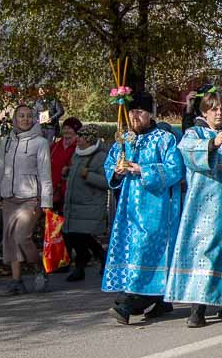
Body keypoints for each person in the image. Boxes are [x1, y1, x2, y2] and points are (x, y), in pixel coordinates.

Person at [164, 92, 222, 327]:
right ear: (204, 113)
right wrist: (212, 144)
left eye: (221, 109)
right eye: (213, 109)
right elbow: (188, 153)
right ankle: (197, 309)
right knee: (203, 254)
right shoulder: (195, 134)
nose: (218, 113)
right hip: (200, 206)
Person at [104, 93, 184, 323]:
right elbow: (110, 163)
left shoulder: (164, 139)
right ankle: (160, 300)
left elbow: (175, 169)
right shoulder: (125, 140)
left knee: (143, 252)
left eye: (140, 112)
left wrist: (143, 170)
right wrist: (116, 172)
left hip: (156, 208)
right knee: (131, 251)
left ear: (150, 114)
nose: (135, 116)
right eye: (132, 112)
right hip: (128, 208)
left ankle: (127, 303)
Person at [0, 104, 53, 295]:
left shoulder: (40, 143)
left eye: (29, 116)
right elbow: (0, 169)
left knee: (22, 237)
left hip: (31, 197)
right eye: (21, 116)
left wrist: (46, 201)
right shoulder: (6, 141)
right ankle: (16, 281)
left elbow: (45, 174)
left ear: (34, 119)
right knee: (10, 240)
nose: (25, 119)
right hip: (9, 197)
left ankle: (39, 268)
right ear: (14, 119)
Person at [60, 125, 109, 283]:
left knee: (80, 235)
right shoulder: (77, 154)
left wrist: (89, 176)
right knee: (73, 235)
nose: (78, 139)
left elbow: (107, 181)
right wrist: (67, 173)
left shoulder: (100, 157)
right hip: (75, 204)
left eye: (81, 136)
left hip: (90, 205)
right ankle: (98, 256)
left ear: (89, 139)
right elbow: (76, 176)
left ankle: (82, 266)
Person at [50, 117, 82, 208]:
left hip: (72, 193)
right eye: (65, 128)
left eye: (70, 128)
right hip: (53, 192)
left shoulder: (81, 148)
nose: (66, 131)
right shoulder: (54, 147)